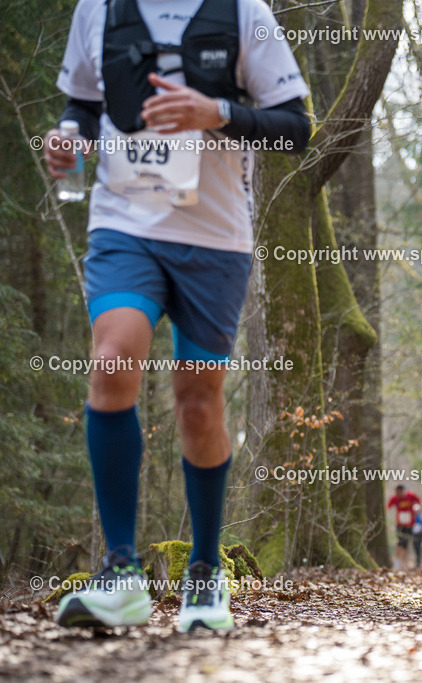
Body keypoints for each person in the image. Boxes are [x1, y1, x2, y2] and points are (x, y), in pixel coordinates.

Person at [44, 0, 309, 632]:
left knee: (197, 400)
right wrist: (68, 137)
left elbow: (296, 129)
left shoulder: (245, 12)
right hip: (123, 224)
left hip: (215, 238)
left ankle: (204, 573)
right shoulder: (98, 10)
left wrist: (216, 112)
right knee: (112, 360)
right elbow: (81, 103)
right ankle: (121, 570)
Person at [386, 485, 422, 570]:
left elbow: (419, 504)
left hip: (410, 524)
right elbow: (388, 507)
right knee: (400, 542)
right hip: (400, 524)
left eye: (400, 493)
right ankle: (397, 561)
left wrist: (419, 511)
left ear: (403, 491)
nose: (398, 494)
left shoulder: (411, 496)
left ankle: (403, 562)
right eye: (397, 493)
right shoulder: (394, 498)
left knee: (406, 543)